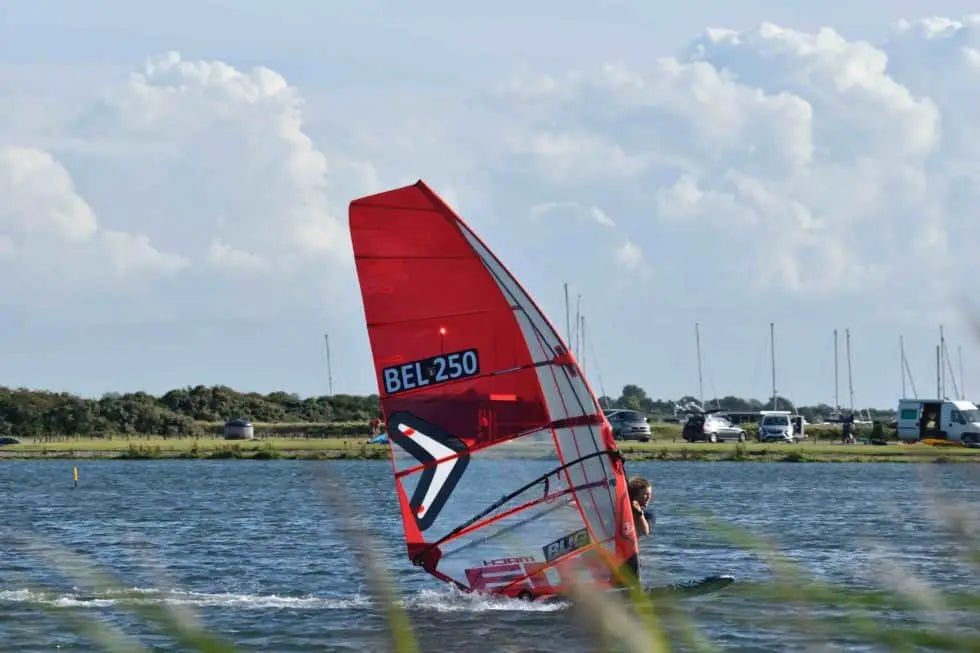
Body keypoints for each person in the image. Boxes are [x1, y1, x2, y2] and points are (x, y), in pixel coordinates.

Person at [620, 475, 654, 586]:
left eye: (650, 494)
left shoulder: (647, 515)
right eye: (645, 494)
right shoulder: (620, 509)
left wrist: (639, 513)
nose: (648, 498)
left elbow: (644, 532)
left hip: (631, 555)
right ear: (634, 496)